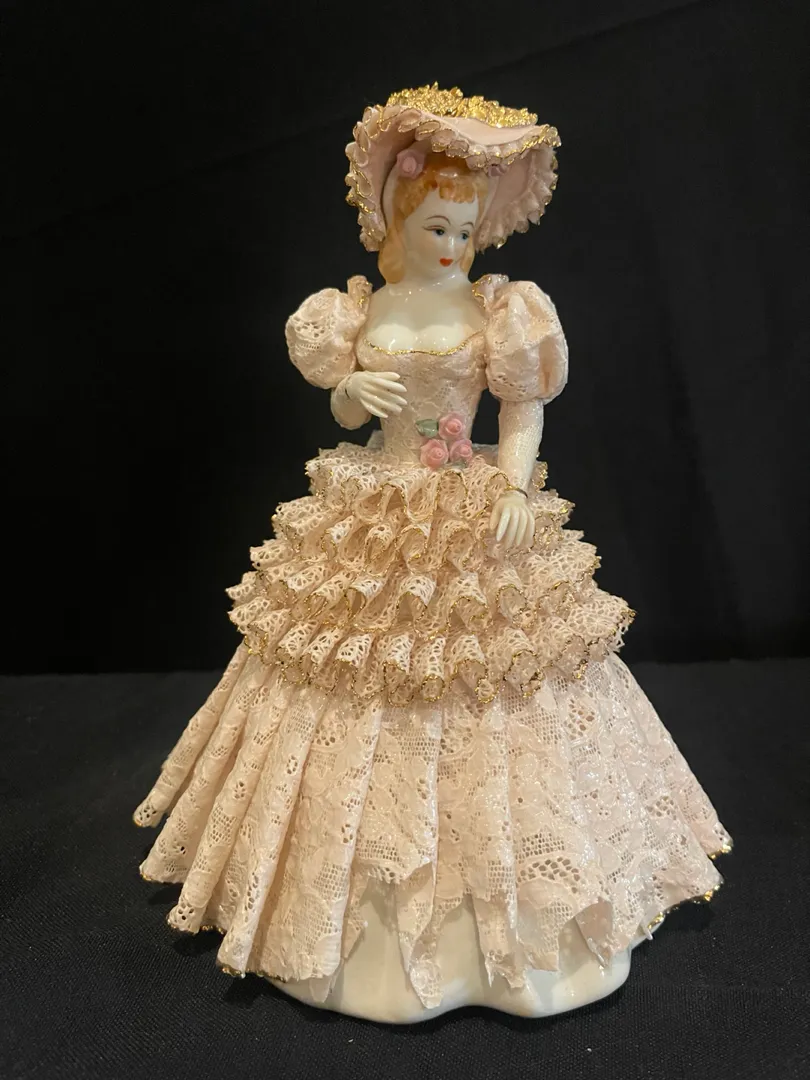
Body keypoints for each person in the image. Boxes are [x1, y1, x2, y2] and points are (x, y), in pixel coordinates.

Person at [134, 84, 731, 1022]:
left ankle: (509, 920)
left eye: (463, 230)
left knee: (487, 677)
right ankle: (353, 913)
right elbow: (346, 409)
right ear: (398, 222)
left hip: (468, 507)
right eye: (436, 229)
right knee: (355, 669)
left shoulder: (502, 309)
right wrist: (350, 393)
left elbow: (522, 409)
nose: (453, 245)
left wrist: (514, 488)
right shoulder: (356, 308)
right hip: (378, 505)